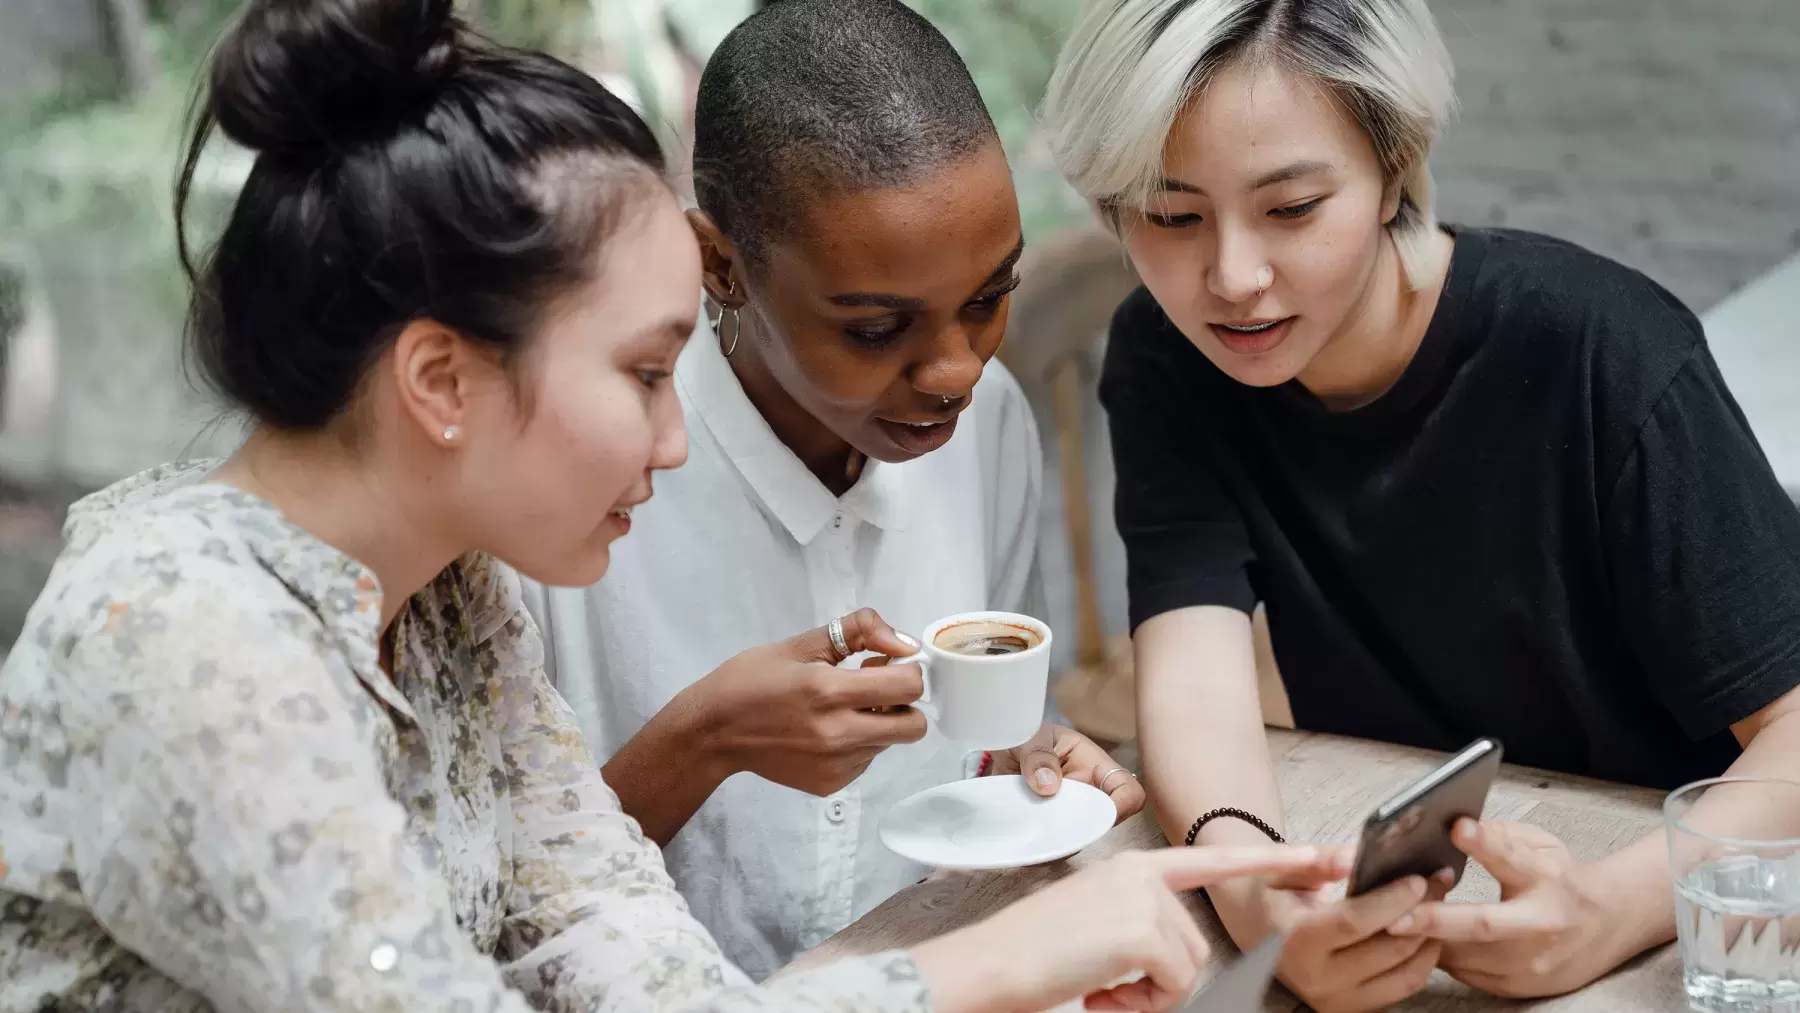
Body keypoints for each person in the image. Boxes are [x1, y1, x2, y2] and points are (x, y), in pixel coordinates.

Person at [0, 2, 1352, 1011]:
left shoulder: (451, 596)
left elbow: (609, 940)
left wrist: (1018, 949)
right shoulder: (183, 636)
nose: (673, 434)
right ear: (439, 376)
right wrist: (985, 968)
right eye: (649, 373)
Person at [1041, 0, 1800, 1008]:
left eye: (1293, 207)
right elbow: (1193, 681)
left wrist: (1608, 910)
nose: (1232, 278)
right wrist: (1260, 896)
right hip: (1401, 870)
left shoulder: (1603, 349)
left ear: (1394, 163)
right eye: (1171, 216)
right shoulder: (1169, 354)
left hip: (1698, 913)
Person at [520, 0, 1143, 979]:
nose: (955, 372)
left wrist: (1034, 757)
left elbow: (991, 751)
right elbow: (494, 910)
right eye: (874, 329)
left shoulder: (991, 430)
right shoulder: (576, 484)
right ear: (720, 264)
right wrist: (703, 739)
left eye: (989, 299)